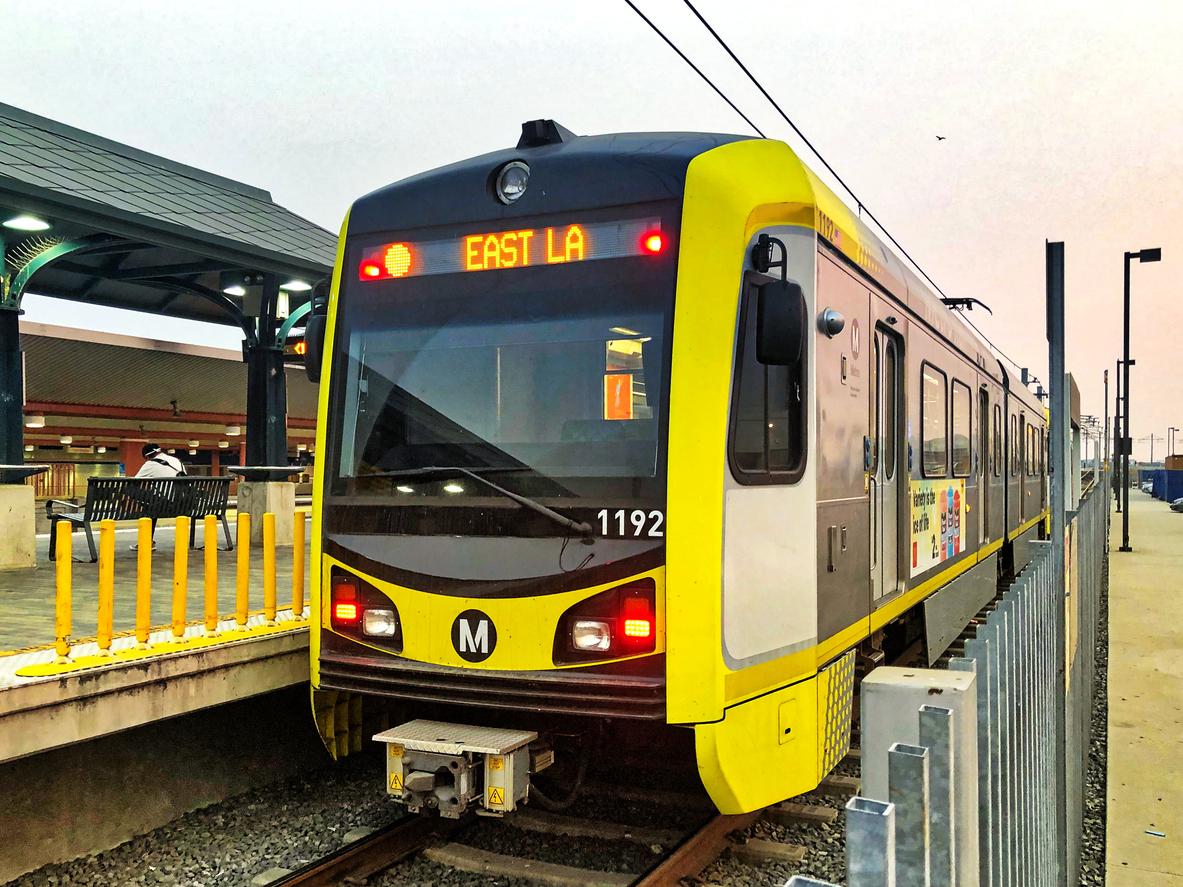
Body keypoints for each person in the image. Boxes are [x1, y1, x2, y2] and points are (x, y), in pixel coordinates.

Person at [130, 444, 186, 550]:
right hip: (184, 504)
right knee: (152, 506)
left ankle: (146, 541)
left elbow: (135, 481)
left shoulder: (151, 463)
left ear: (147, 456)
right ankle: (147, 540)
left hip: (166, 504)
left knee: (131, 491)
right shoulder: (177, 461)